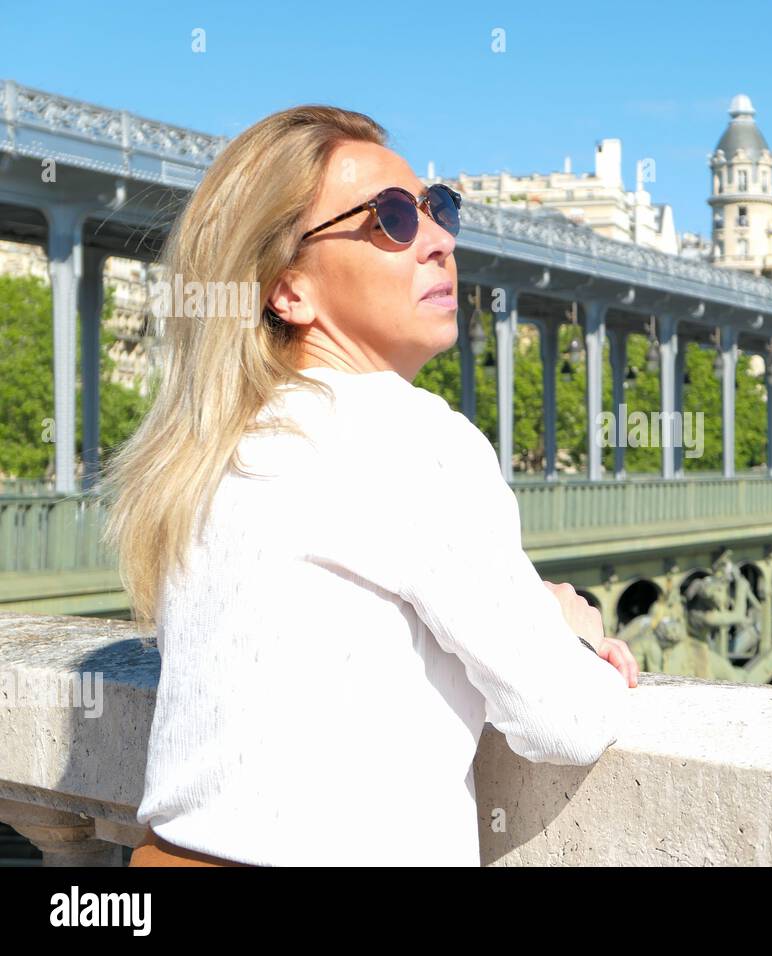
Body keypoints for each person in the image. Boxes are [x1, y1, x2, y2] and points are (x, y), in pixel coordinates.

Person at [99, 105, 637, 866]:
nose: (439, 241)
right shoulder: (411, 437)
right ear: (288, 291)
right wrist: (571, 634)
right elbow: (566, 722)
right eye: (389, 220)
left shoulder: (211, 448)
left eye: (438, 207)